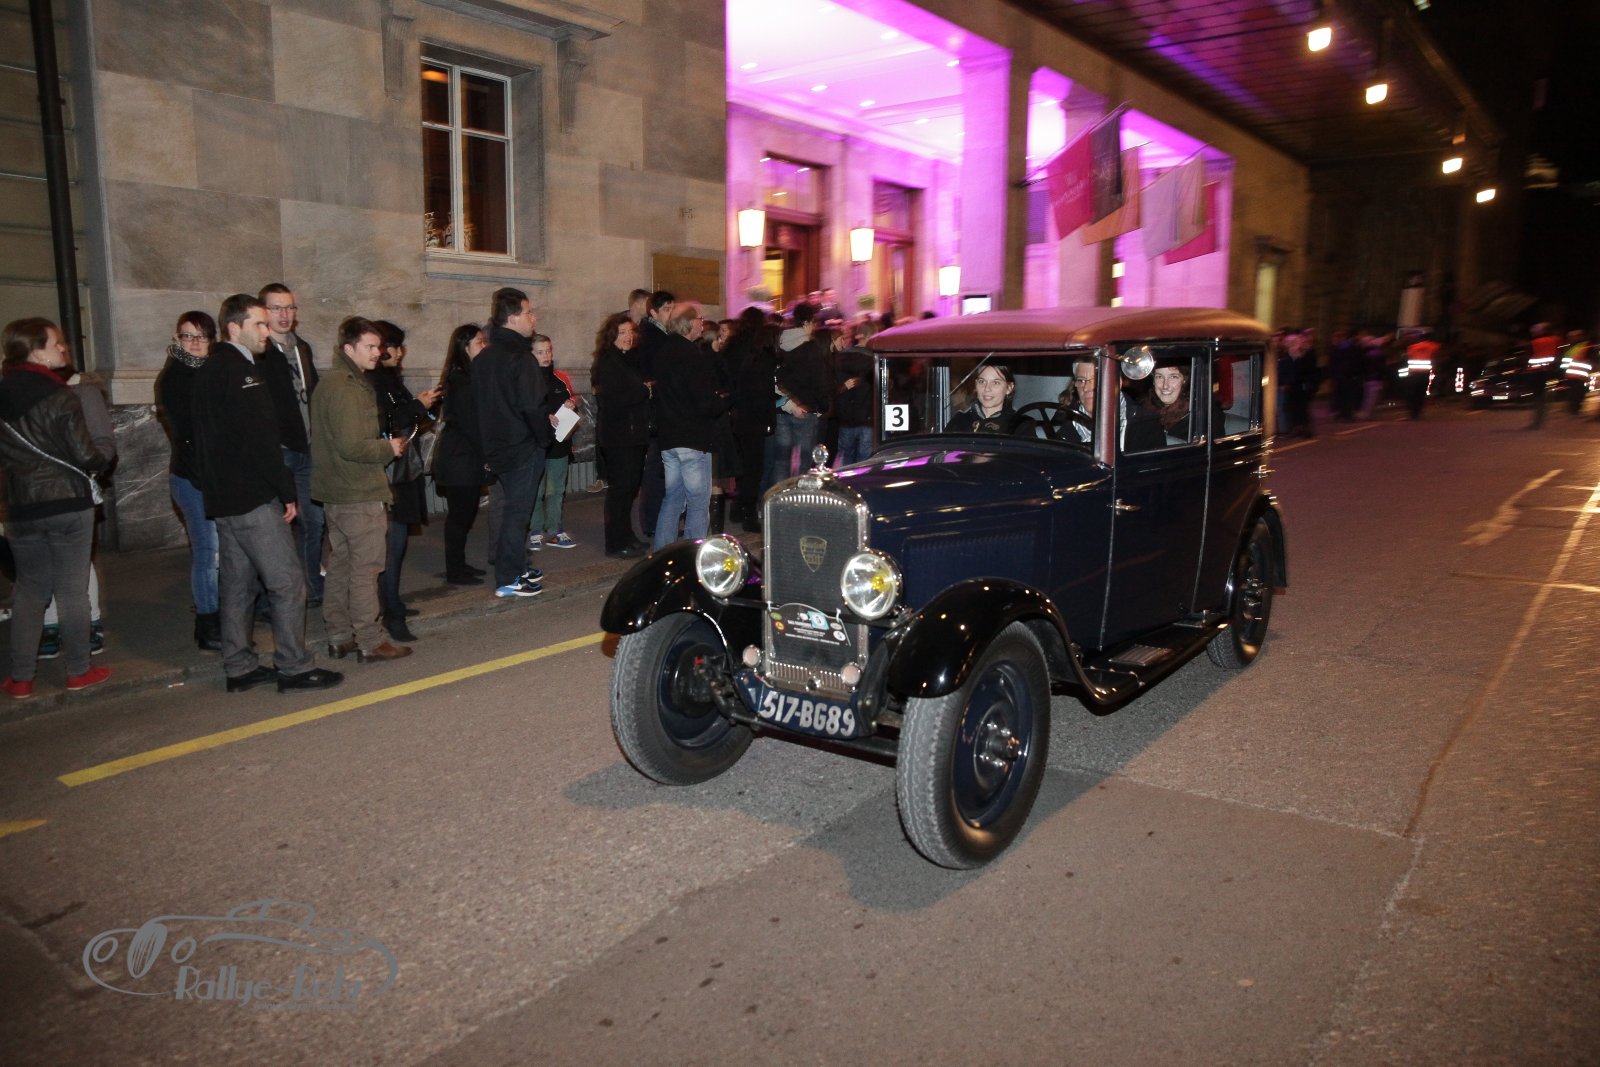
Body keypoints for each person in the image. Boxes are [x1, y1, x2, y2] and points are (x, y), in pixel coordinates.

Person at [191, 293, 342, 695]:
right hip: (252, 496)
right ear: (234, 327)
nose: (267, 330)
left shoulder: (209, 369)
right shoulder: (243, 372)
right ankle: (293, 666)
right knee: (288, 581)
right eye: (258, 323)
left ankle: (239, 666)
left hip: (224, 497)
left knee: (238, 585)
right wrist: (285, 489)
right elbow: (260, 440)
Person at [0, 318, 114, 698]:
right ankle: (79, 670)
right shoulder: (60, 395)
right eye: (56, 343)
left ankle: (21, 677)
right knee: (71, 590)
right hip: (67, 502)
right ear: (34, 351)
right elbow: (86, 455)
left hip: (20, 507)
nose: (63, 348)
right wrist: (102, 457)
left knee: (29, 590)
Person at [311, 317, 412, 664]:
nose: (377, 353)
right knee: (365, 569)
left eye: (378, 346)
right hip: (357, 490)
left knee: (341, 566)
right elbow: (352, 445)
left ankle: (339, 636)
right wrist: (389, 448)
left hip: (339, 490)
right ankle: (370, 640)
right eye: (369, 346)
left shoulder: (334, 382)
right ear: (348, 348)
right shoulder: (347, 387)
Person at [473, 287, 550, 598]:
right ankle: (508, 577)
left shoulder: (484, 358)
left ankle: (518, 566)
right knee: (517, 514)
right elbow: (533, 406)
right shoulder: (521, 358)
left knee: (510, 510)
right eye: (529, 312)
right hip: (522, 447)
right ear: (513, 317)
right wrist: (543, 439)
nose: (534, 318)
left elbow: (480, 406)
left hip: (497, 447)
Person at [370, 320, 440, 641]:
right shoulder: (372, 381)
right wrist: (417, 406)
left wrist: (425, 406)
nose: (399, 353)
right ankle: (390, 612)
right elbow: (385, 423)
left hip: (403, 467)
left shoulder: (390, 380)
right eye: (394, 346)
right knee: (391, 542)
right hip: (390, 471)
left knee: (398, 541)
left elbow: (408, 417)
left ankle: (393, 602)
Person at [156, 311, 222, 650]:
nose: (194, 343)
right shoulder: (176, 377)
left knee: (220, 550)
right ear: (177, 339)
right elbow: (191, 434)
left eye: (201, 336)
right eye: (187, 336)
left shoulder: (211, 372)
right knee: (208, 551)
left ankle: (223, 614)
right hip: (192, 477)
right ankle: (208, 624)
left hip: (212, 476)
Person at [258, 283, 324, 604]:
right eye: (276, 308)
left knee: (314, 522)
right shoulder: (260, 352)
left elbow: (313, 393)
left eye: (290, 307)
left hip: (307, 449)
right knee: (278, 527)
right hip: (280, 450)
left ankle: (312, 585)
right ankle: (279, 594)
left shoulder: (303, 348)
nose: (285, 314)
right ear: (263, 312)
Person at [652, 303, 729, 550]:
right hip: (693, 439)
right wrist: (721, 402)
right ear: (689, 323)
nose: (702, 324)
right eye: (700, 319)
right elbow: (703, 401)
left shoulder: (662, 351)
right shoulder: (692, 355)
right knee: (697, 502)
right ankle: (693, 555)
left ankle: (661, 553)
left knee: (673, 499)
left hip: (669, 438)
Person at [430, 324, 490, 584]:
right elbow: (470, 424)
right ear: (465, 347)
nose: (484, 346)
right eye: (479, 342)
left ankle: (459, 564)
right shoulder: (461, 380)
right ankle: (455, 570)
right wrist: (488, 456)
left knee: (465, 516)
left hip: (465, 458)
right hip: (460, 460)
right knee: (459, 517)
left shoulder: (469, 375)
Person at [592, 313, 652, 558]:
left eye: (630, 331)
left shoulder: (628, 359)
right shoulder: (608, 362)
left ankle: (627, 536)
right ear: (612, 336)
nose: (628, 336)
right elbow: (613, 400)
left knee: (630, 489)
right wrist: (643, 391)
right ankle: (615, 542)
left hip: (633, 434)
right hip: (619, 437)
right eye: (622, 332)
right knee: (620, 490)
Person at [767, 301, 832, 488]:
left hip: (782, 409)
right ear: (807, 322)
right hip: (807, 408)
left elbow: (773, 376)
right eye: (813, 323)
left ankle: (778, 496)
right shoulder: (812, 349)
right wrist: (822, 406)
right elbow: (819, 380)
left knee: (781, 461)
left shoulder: (779, 343)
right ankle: (799, 497)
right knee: (804, 461)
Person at [529, 333, 579, 550]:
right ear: (531, 354)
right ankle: (535, 529)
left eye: (548, 350)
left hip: (559, 442)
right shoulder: (527, 380)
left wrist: (571, 405)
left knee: (556, 489)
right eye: (540, 352)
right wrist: (544, 417)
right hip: (535, 444)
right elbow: (523, 410)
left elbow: (572, 400)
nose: (546, 355)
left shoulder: (560, 378)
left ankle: (554, 529)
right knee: (536, 490)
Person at [1058, 356, 1164, 452]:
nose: (1086, 388)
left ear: (1118, 383)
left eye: (1095, 380)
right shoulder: (1067, 425)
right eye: (1081, 380)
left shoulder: (1145, 424)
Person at [946, 364, 1024, 434]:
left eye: (995, 383)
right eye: (982, 381)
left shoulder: (1020, 425)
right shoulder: (959, 421)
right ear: (975, 385)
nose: (987, 388)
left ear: (1009, 388)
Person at [1144, 361, 1194, 441]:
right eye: (1159, 377)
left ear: (1184, 380)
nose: (1165, 385)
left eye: (1173, 377)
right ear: (1153, 381)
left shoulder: (1195, 418)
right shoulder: (1143, 413)